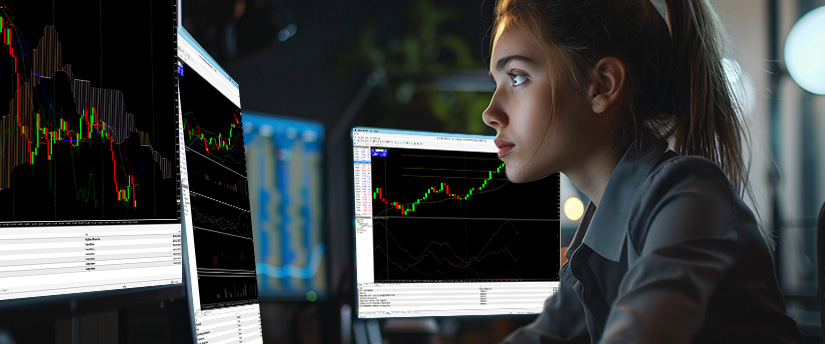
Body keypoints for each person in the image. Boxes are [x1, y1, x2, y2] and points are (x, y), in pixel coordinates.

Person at [481, 0, 803, 342]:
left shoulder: (688, 193)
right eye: (496, 83)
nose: (490, 112)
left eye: (516, 77)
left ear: (602, 85)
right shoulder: (590, 248)